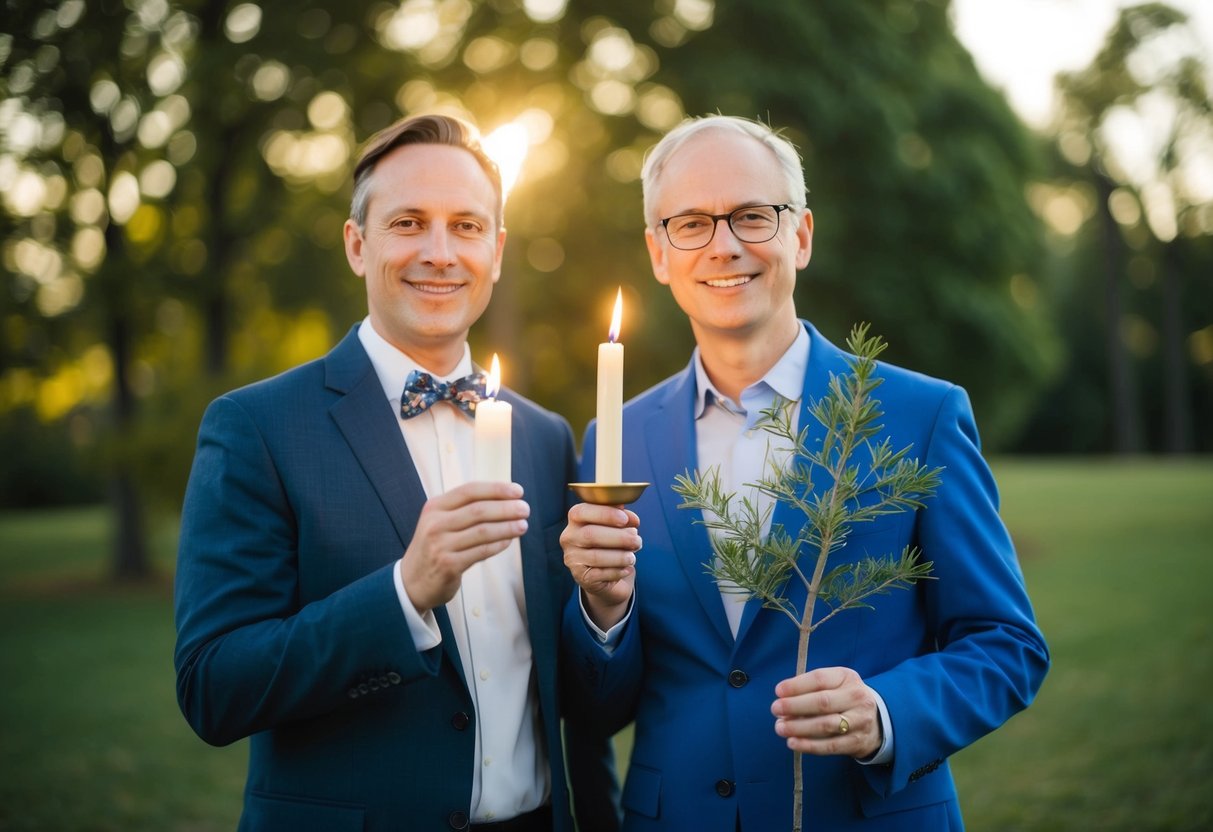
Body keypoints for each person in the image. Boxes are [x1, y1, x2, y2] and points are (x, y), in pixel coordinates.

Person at [559, 115, 1050, 830]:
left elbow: (1007, 646)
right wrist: (602, 612)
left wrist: (886, 713)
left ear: (801, 235)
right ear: (658, 252)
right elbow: (598, 707)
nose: (723, 245)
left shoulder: (921, 416)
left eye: (752, 217)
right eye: (690, 223)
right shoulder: (615, 441)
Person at [174, 113, 617, 832]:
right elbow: (214, 688)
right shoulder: (256, 427)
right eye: (408, 222)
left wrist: (604, 613)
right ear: (358, 244)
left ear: (496, 251)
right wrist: (403, 593)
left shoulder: (543, 436)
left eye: (466, 227)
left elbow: (586, 706)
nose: (440, 253)